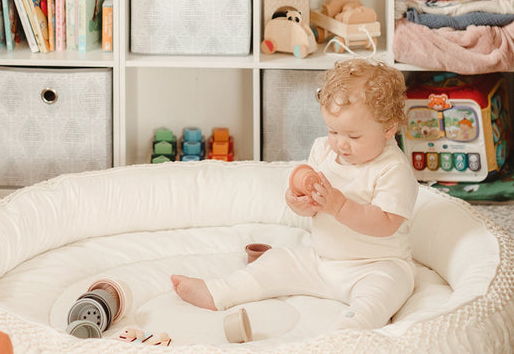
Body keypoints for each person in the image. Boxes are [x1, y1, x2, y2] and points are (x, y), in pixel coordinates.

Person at [171, 58, 419, 331]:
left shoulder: (392, 169)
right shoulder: (324, 151)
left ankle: (352, 327)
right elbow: (310, 206)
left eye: (353, 136)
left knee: (382, 292)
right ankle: (220, 291)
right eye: (333, 131)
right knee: (276, 261)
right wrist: (300, 202)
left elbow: (386, 223)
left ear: (388, 129)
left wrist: (339, 206)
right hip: (322, 261)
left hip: (376, 266)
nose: (340, 143)